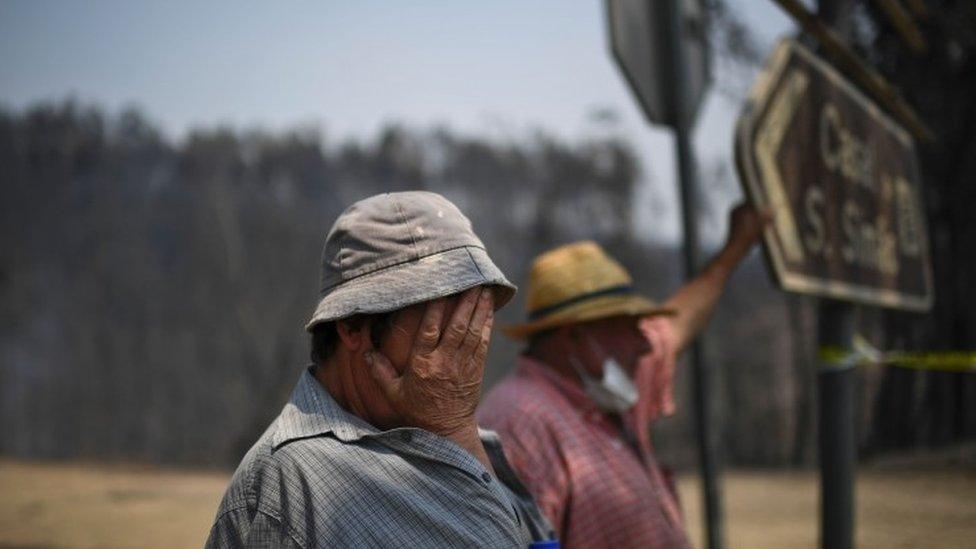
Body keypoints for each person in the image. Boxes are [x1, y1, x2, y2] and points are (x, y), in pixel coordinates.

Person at [207, 191, 553, 548]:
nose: (466, 344)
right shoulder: (289, 487)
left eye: (475, 316)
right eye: (444, 325)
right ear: (354, 326)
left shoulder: (460, 437)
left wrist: (458, 432)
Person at [478, 203, 769, 548]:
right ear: (574, 336)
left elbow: (677, 326)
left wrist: (735, 249)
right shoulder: (519, 426)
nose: (645, 344)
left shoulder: (606, 393)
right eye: (627, 326)